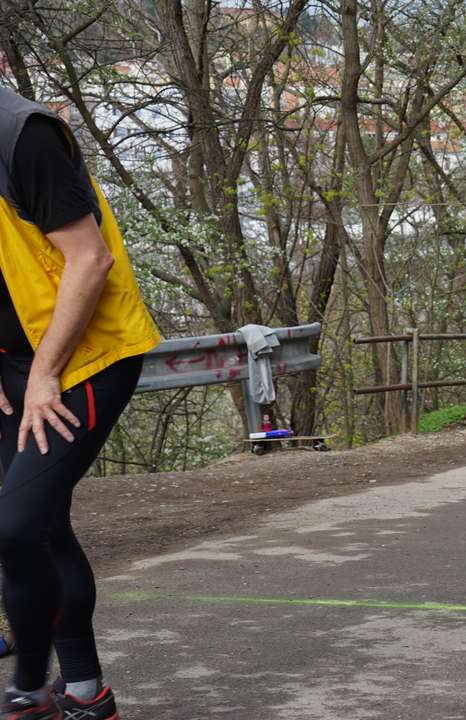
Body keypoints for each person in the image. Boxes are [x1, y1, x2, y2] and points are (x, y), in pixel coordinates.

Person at [0, 87, 161, 719]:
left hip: (85, 358)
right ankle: (85, 693)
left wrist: (45, 375)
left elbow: (90, 260)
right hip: (16, 364)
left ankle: (33, 688)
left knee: (15, 526)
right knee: (40, 527)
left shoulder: (24, 135)